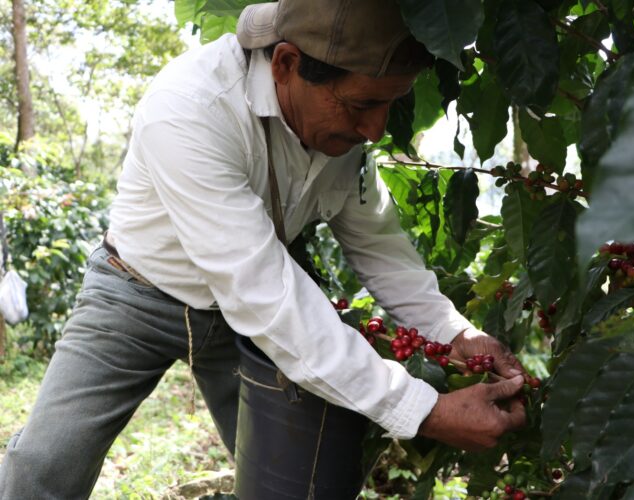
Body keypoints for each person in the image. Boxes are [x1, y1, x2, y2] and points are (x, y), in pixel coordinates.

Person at [0, 0, 527, 497]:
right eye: (363, 104)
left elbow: (381, 248)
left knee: (301, 479)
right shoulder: (191, 109)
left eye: (389, 104)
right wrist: (425, 410)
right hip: (137, 294)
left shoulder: (340, 134)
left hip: (245, 320)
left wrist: (454, 332)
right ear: (286, 63)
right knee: (43, 466)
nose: (375, 129)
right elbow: (264, 294)